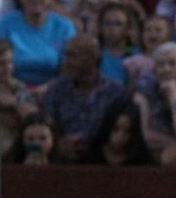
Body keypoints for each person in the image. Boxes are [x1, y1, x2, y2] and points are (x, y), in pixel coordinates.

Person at [40, 34, 127, 162]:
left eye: (72, 56)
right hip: (62, 159)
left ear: (92, 58)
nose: (66, 62)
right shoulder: (56, 89)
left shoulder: (115, 92)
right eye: (65, 55)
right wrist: (59, 142)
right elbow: (46, 125)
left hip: (104, 160)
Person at [0, 0, 77, 87]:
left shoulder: (64, 27)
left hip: (55, 90)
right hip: (13, 88)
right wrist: (20, 89)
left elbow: (70, 69)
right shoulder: (6, 23)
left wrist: (46, 89)